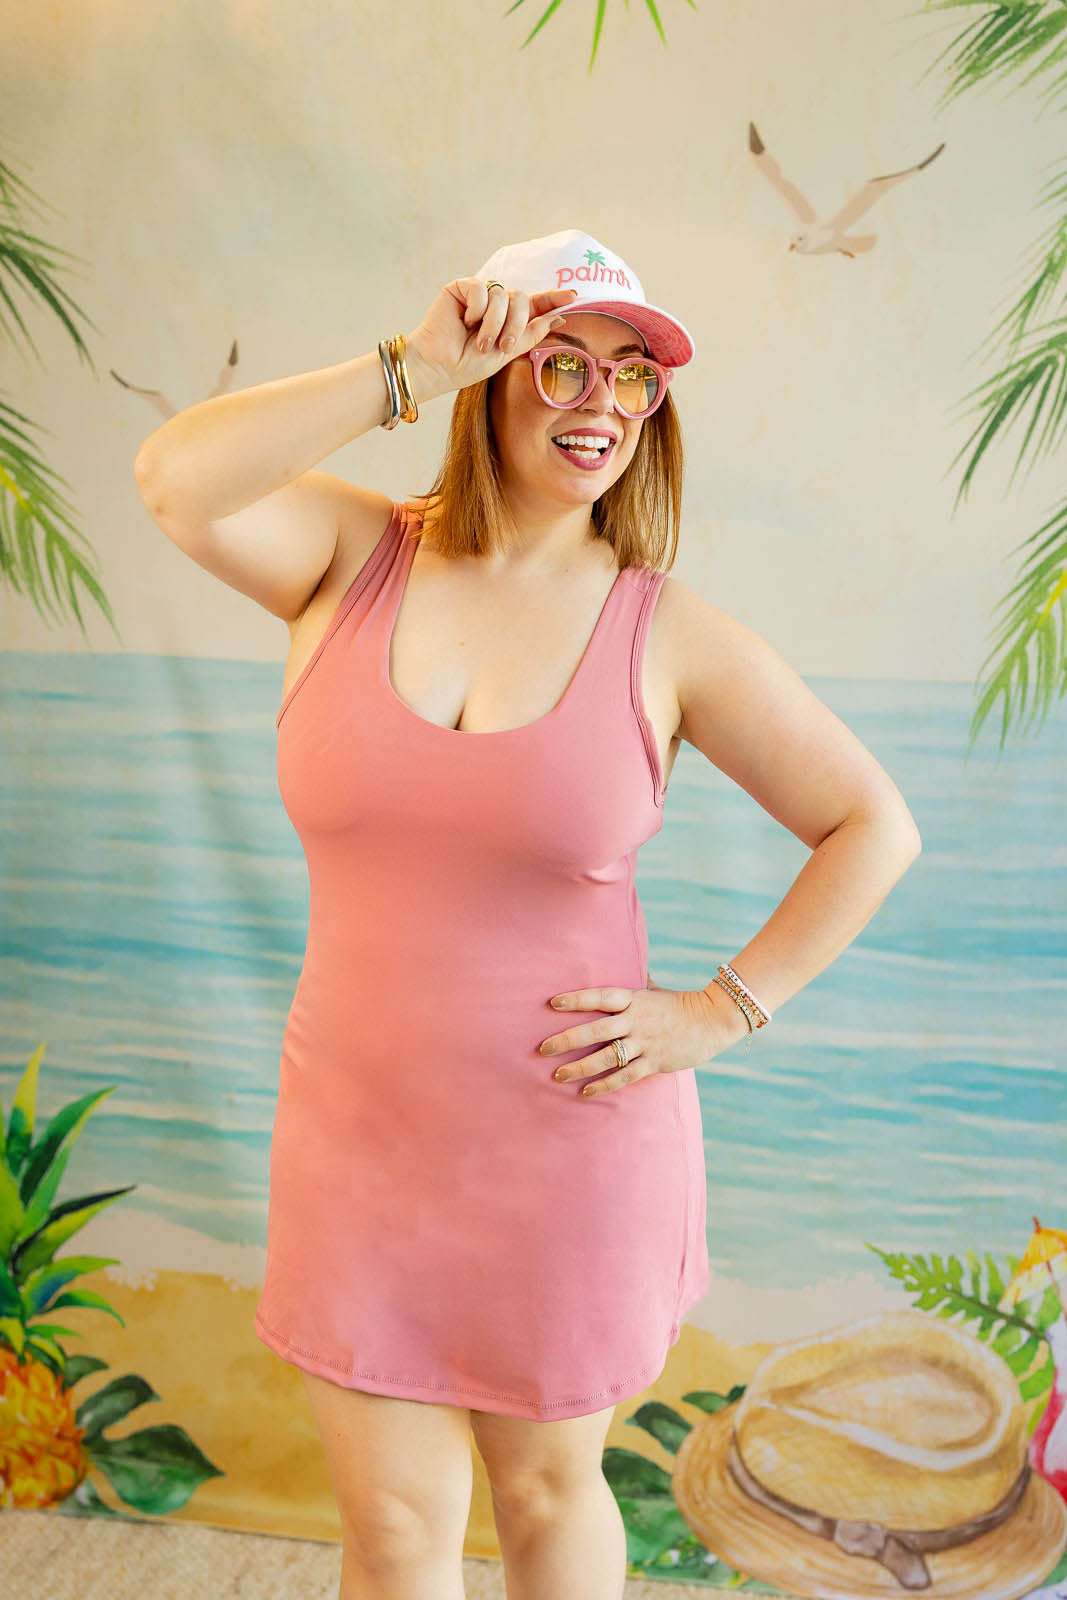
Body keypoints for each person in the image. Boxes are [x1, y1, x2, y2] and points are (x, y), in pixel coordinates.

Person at [133, 227, 921, 1600]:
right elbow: (173, 479)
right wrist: (409, 365)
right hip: (358, 1142)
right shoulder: (347, 554)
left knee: (552, 1500)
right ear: (494, 373)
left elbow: (873, 825)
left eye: (635, 379)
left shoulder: (663, 631)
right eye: (564, 366)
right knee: (386, 1534)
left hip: (572, 1149)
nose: (604, 403)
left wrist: (719, 1014)